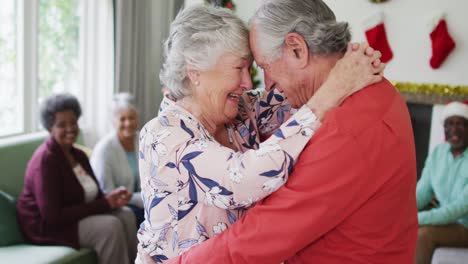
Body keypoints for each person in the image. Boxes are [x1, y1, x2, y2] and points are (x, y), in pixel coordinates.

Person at [165, 0, 418, 263]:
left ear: (297, 49)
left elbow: (266, 232)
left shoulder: (348, 127)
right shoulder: (370, 88)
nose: (266, 83)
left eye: (264, 66)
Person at [16, 93, 138, 264]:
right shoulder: (46, 160)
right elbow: (52, 216)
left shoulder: (79, 155)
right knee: (110, 226)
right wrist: (105, 204)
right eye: (62, 125)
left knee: (126, 214)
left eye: (73, 122)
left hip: (74, 216)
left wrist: (112, 199)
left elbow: (94, 196)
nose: (70, 128)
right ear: (50, 128)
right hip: (47, 227)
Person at [415, 101, 468, 264]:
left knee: (423, 235)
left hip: (464, 226)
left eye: (460, 124)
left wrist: (416, 218)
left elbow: (458, 209)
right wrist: (402, 212)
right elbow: (422, 192)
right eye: (449, 124)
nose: (454, 130)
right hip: (447, 222)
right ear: (443, 129)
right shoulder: (438, 153)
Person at [91, 92, 144, 227]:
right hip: (116, 206)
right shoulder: (104, 150)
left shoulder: (143, 140)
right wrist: (136, 199)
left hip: (141, 202)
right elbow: (106, 192)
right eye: (123, 119)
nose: (128, 123)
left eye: (132, 118)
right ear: (114, 121)